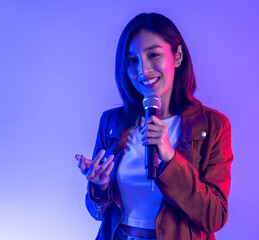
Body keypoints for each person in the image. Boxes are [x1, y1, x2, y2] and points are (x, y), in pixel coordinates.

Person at [75, 13, 233, 240]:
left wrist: (170, 157)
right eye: (132, 60)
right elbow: (97, 213)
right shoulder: (111, 123)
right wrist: (98, 187)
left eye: (153, 55)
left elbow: (215, 217)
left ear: (177, 56)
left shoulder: (214, 126)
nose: (143, 70)